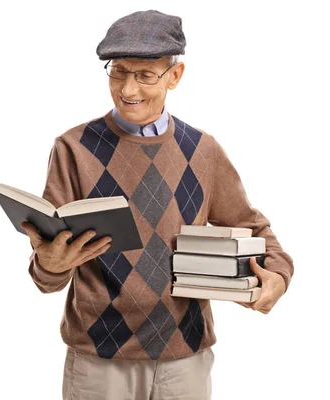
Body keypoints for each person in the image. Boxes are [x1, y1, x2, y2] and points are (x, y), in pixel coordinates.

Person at [20, 9, 294, 400]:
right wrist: (49, 265)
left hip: (185, 358)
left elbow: (255, 229)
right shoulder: (73, 148)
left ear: (175, 76)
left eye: (145, 75)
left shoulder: (203, 151)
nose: (128, 90)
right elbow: (47, 267)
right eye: (118, 71)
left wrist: (278, 276)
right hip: (99, 361)